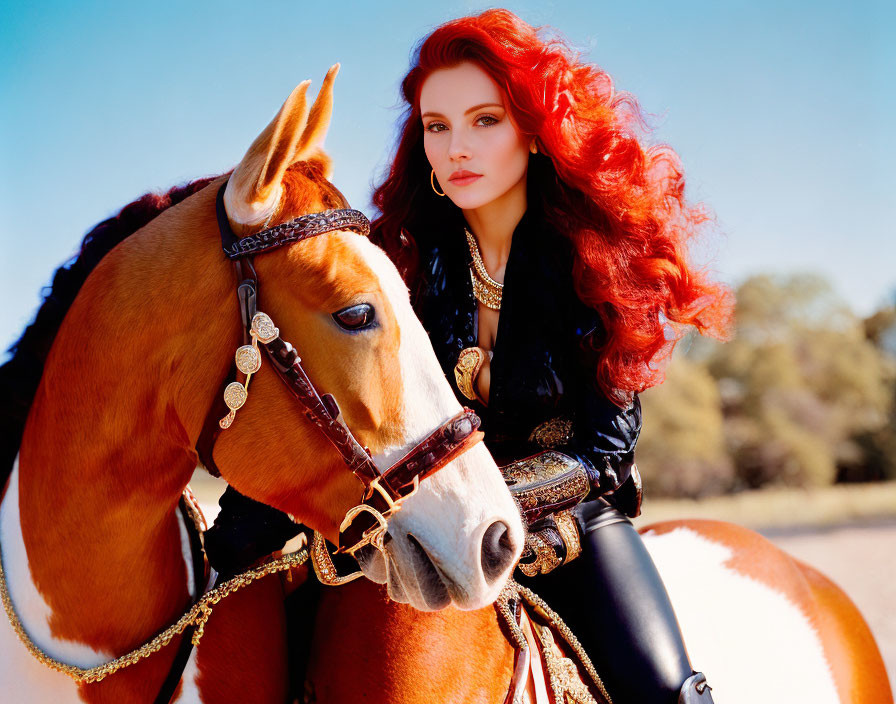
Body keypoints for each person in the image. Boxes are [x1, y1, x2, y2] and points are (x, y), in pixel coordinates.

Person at [207, 9, 731, 703]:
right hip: (410, 525)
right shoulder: (397, 265)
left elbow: (605, 455)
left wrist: (482, 504)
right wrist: (227, 549)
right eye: (437, 126)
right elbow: (335, 413)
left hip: (566, 528)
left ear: (534, 134)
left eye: (484, 121)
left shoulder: (596, 265)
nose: (457, 147)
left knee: (668, 694)